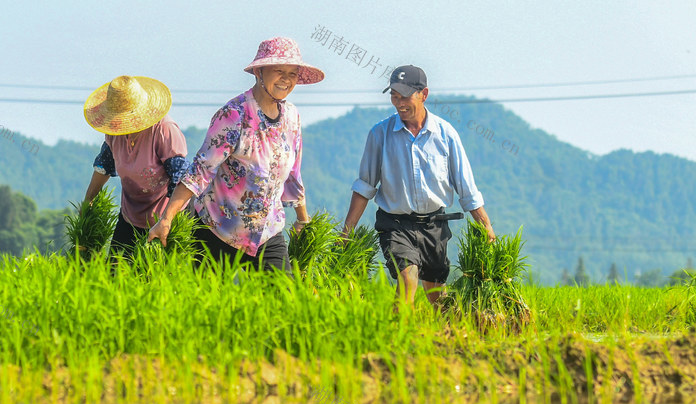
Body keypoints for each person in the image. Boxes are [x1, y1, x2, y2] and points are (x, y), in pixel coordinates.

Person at [148, 37, 323, 272]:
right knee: (207, 303)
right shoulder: (234, 114)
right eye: (278, 71)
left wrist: (303, 219)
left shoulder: (291, 117)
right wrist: (167, 218)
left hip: (267, 233)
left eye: (292, 73)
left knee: (285, 298)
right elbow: (200, 171)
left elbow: (292, 174)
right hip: (218, 229)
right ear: (259, 72)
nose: (286, 79)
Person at [341, 65, 496, 305]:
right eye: (394, 95)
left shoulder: (446, 135)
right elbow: (365, 186)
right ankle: (397, 339)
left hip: (434, 225)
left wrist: (486, 226)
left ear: (424, 94)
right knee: (408, 279)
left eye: (405, 96)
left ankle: (442, 338)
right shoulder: (380, 134)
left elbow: (466, 187)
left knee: (437, 296)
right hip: (395, 224)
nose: (398, 102)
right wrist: (347, 230)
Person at [83, 76, 188, 260]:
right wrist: (88, 201)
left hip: (165, 216)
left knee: (156, 279)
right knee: (116, 274)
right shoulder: (115, 133)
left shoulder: (163, 130)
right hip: (130, 215)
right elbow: (104, 166)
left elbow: (180, 180)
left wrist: (166, 220)